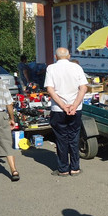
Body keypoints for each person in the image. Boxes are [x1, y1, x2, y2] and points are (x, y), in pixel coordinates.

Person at [44, 47, 88, 177]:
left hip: (58, 109)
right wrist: (74, 105)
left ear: (55, 56)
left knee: (61, 139)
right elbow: (83, 88)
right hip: (76, 108)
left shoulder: (51, 68)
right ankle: (75, 168)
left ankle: (63, 169)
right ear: (69, 56)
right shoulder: (77, 68)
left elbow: (50, 90)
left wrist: (63, 105)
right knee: (74, 137)